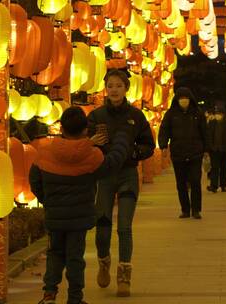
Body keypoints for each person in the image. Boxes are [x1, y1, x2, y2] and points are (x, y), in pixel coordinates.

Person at [30, 106, 129, 304]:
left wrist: (48, 202)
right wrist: (121, 140)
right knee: (75, 257)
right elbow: (112, 163)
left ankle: (49, 294)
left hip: (55, 216)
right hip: (79, 218)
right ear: (85, 130)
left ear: (61, 128)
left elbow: (34, 181)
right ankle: (75, 298)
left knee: (55, 254)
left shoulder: (45, 153)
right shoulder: (92, 156)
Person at [87, 69, 155, 296]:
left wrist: (135, 152)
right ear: (106, 89)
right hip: (105, 175)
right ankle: (104, 261)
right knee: (103, 223)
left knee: (124, 226)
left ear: (126, 88)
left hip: (127, 174)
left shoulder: (136, 116)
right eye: (110, 86)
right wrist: (92, 141)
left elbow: (148, 145)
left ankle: (124, 274)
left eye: (118, 86)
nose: (114, 90)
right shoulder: (96, 116)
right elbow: (80, 144)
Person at [158, 87, 207, 219]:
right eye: (181, 98)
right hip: (178, 153)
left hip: (195, 152)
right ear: (177, 100)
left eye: (186, 98)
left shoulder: (197, 113)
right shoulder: (171, 114)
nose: (184, 101)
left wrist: (207, 149)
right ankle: (185, 209)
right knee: (181, 183)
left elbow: (204, 132)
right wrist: (163, 145)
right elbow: (164, 130)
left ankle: (196, 209)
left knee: (195, 181)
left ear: (190, 100)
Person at [206, 105, 226, 192]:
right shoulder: (211, 123)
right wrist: (209, 148)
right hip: (214, 150)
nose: (218, 115)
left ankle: (223, 185)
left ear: (223, 114)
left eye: (219, 113)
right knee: (214, 168)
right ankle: (214, 186)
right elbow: (209, 136)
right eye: (216, 113)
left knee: (225, 169)